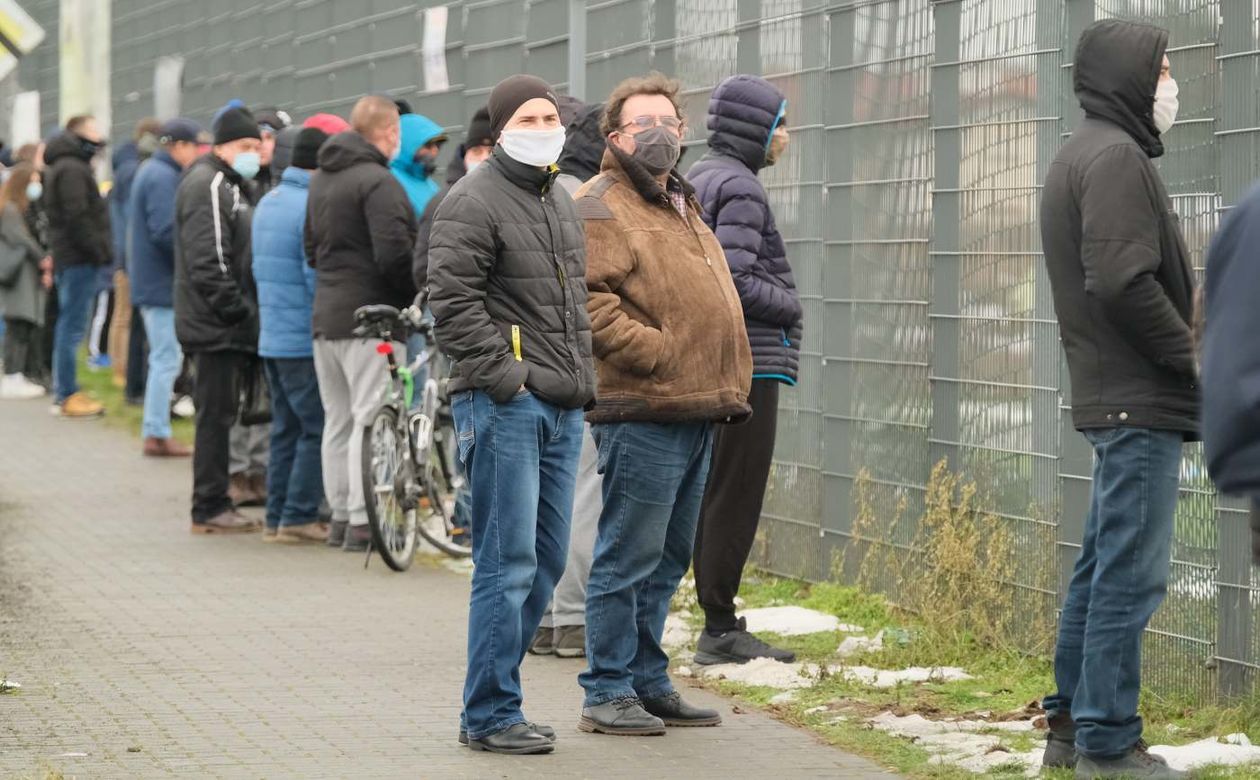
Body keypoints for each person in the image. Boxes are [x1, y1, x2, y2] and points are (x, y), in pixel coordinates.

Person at [1039, 21, 1195, 780]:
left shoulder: (1087, 150)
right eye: (1162, 69)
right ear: (1129, 75)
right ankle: (1106, 741)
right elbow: (1123, 280)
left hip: (1116, 398)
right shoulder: (1115, 158)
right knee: (1130, 576)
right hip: (1137, 399)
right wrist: (1193, 355)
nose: (1170, 83)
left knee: (1103, 567)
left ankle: (1071, 729)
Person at [574, 73, 751, 737]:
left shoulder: (680, 197)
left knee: (668, 558)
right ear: (615, 136)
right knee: (627, 555)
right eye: (642, 122)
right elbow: (587, 300)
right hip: (644, 406)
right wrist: (656, 351)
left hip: (698, 403)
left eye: (668, 121)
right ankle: (606, 689)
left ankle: (647, 680)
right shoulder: (599, 203)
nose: (658, 132)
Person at [428, 74, 594, 755]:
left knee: (546, 561)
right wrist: (509, 380)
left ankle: (495, 698)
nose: (544, 127)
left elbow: (572, 306)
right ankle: (490, 713)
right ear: (499, 131)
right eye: (528, 118)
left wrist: (579, 384)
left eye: (551, 117)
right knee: (507, 563)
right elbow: (451, 303)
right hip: (506, 406)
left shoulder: (558, 198)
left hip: (562, 405)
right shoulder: (472, 200)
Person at [688, 74, 803, 666]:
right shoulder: (741, 187)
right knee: (737, 492)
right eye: (780, 124)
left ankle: (714, 616)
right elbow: (731, 278)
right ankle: (719, 625)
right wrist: (790, 304)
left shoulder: (703, 174)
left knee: (713, 488)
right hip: (751, 359)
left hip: (717, 357)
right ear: (754, 127)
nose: (785, 136)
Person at [305, 96, 417, 552]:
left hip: (326, 317)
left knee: (338, 420)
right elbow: (394, 254)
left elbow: (311, 249)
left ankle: (339, 515)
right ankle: (362, 521)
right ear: (390, 132)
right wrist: (411, 295)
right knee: (370, 418)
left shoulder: (321, 179)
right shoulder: (379, 182)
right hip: (373, 319)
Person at [528, 100, 608, 660]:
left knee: (549, 494)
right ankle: (574, 616)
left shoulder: (542, 191)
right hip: (577, 365)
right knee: (585, 489)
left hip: (536, 365)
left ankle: (546, 616)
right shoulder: (590, 201)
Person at [174, 106, 264, 534]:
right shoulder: (208, 185)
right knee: (214, 417)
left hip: (222, 324)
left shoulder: (231, 185)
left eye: (256, 146)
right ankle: (209, 504)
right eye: (246, 146)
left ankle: (215, 499)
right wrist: (240, 311)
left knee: (222, 415)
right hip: (214, 326)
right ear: (223, 146)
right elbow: (210, 262)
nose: (254, 154)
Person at [253, 127, 330, 544]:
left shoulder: (269, 201)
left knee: (284, 428)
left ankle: (275, 515)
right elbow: (312, 274)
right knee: (315, 427)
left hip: (272, 335)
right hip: (301, 337)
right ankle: (299, 515)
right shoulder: (310, 206)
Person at [129, 118, 204, 458]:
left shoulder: (152, 171)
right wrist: (190, 263)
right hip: (161, 284)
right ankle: (156, 432)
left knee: (163, 357)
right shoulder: (162, 177)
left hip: (152, 281)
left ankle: (155, 429)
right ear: (180, 146)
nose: (197, 153)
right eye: (194, 146)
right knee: (166, 359)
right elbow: (164, 231)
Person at [44, 115, 111, 418]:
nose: (99, 137)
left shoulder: (63, 166)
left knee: (68, 324)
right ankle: (67, 393)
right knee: (72, 326)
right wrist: (98, 251)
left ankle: (65, 390)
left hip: (69, 257)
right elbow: (78, 216)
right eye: (94, 130)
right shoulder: (72, 168)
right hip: (78, 259)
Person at [109, 118, 161, 405]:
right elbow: (131, 221)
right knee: (128, 319)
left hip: (125, 256)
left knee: (125, 317)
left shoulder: (125, 169)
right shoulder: (135, 171)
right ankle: (124, 372)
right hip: (132, 259)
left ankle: (124, 374)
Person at [412, 107, 493, 291]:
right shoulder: (443, 202)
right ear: (465, 156)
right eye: (476, 151)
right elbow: (424, 270)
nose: (484, 159)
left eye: (491, 150)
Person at [0, 166, 52, 400]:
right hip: (18, 276)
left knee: (21, 325)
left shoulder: (17, 208)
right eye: (33, 180)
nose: (36, 186)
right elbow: (22, 240)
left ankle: (17, 374)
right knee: (17, 326)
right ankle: (13, 375)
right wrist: (43, 258)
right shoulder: (11, 210)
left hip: (22, 275)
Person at [390, 112, 447, 217]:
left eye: (438, 145)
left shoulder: (430, 185)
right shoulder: (391, 182)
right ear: (408, 145)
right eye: (428, 145)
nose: (435, 151)